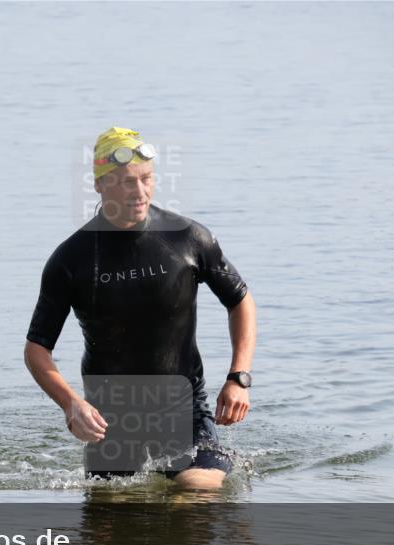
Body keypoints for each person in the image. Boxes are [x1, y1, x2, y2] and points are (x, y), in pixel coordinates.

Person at [24, 127, 256, 490]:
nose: (139, 191)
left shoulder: (188, 238)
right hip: (111, 420)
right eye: (124, 182)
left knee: (197, 488)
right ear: (99, 184)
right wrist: (71, 405)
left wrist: (238, 377)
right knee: (108, 531)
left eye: (146, 179)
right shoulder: (71, 259)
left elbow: (239, 300)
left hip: (184, 409)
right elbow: (37, 350)